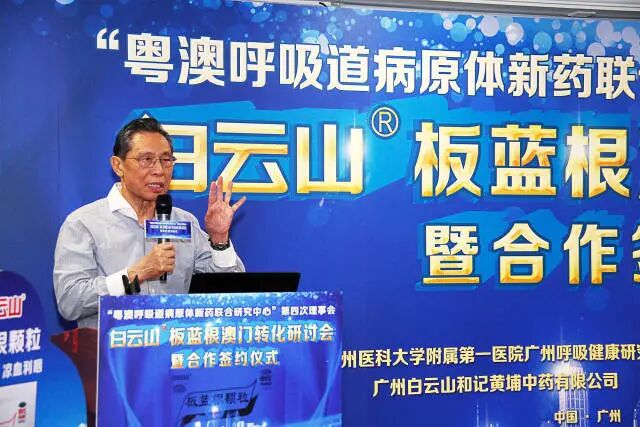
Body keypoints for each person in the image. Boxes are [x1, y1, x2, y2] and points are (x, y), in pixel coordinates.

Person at [53, 117, 246, 329]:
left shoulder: (184, 222)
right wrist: (136, 274)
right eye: (146, 159)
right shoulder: (84, 223)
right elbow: (70, 301)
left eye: (166, 160)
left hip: (173, 345)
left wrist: (219, 239)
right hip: (111, 347)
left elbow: (231, 289)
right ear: (118, 166)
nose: (159, 170)